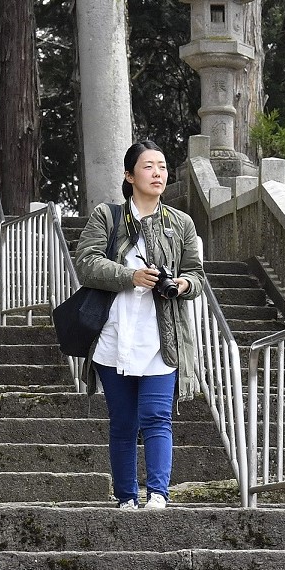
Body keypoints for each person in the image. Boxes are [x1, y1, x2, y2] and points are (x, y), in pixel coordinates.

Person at [74, 139, 206, 510]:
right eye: (148, 166)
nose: (157, 173)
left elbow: (197, 275)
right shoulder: (108, 216)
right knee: (123, 422)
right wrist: (130, 276)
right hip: (114, 335)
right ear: (129, 175)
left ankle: (158, 494)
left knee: (157, 416)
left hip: (162, 337)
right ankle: (126, 497)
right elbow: (85, 263)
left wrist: (181, 284)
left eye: (162, 166)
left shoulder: (180, 223)